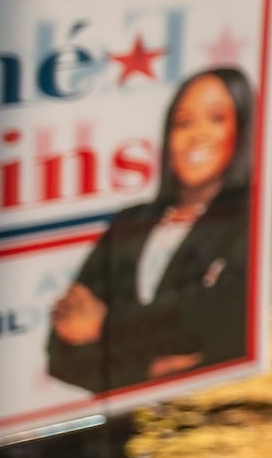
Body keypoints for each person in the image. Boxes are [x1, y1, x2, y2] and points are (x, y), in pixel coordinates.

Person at [48, 66, 258, 394]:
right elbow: (61, 354)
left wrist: (105, 326)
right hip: (122, 432)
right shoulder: (129, 225)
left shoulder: (249, 223)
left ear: (243, 129)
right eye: (183, 122)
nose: (196, 135)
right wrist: (150, 370)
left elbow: (217, 322)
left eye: (216, 118)